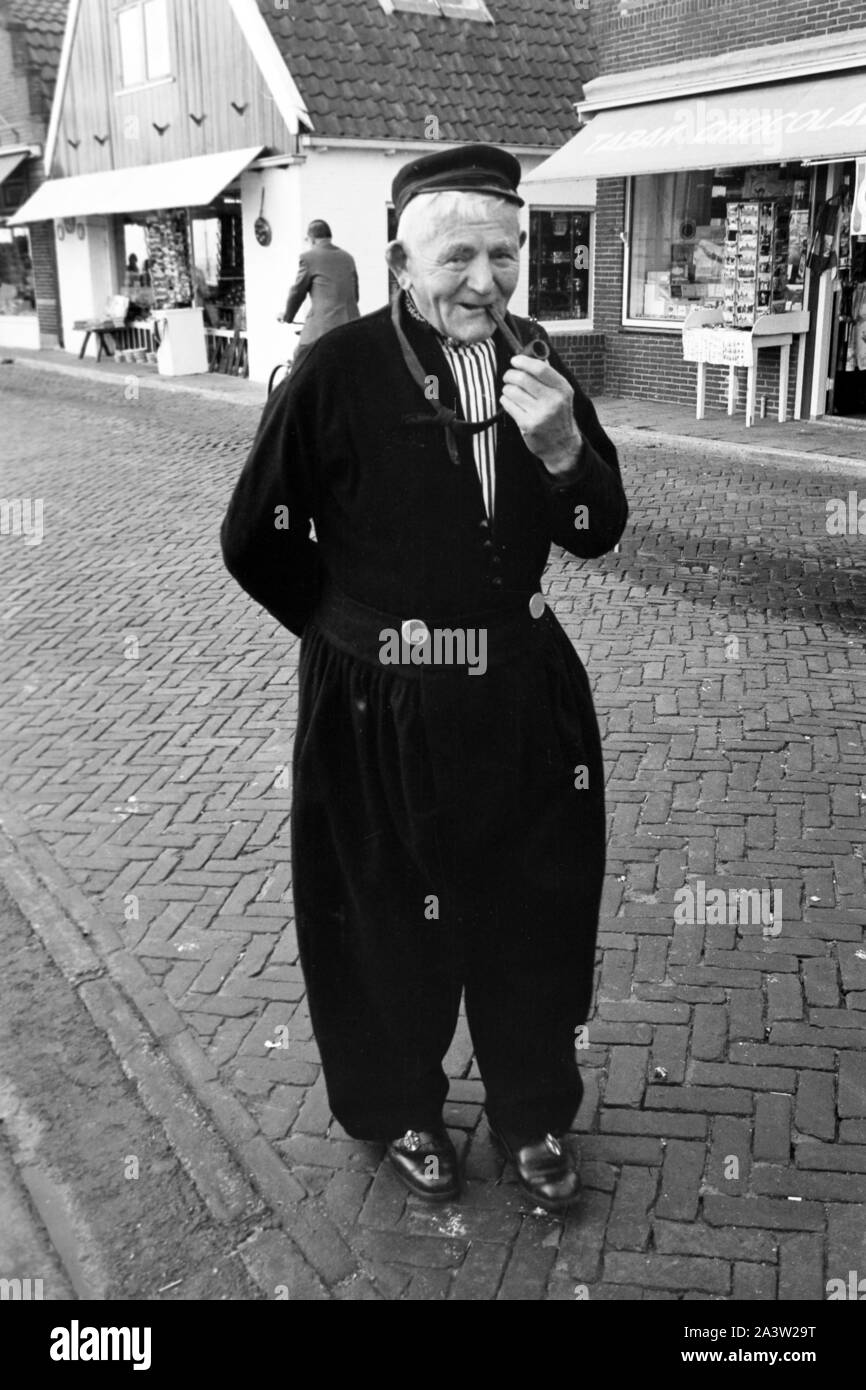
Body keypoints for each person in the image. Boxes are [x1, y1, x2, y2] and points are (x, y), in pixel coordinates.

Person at [221, 145, 628, 1212]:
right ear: (403, 257)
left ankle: (532, 1114)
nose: (485, 282)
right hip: (379, 705)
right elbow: (254, 536)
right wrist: (353, 636)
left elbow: (595, 530)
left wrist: (559, 453)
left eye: (505, 254)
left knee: (534, 911)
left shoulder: (537, 358)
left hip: (523, 694)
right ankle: (400, 1105)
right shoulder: (337, 370)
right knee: (383, 920)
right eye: (459, 256)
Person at [278, 220, 359, 372]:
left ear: (312, 239)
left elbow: (297, 292)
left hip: (323, 329)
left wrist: (287, 316)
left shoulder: (308, 258)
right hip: (351, 327)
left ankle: (292, 395)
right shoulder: (348, 258)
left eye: (307, 241)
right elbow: (355, 295)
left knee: (299, 357)